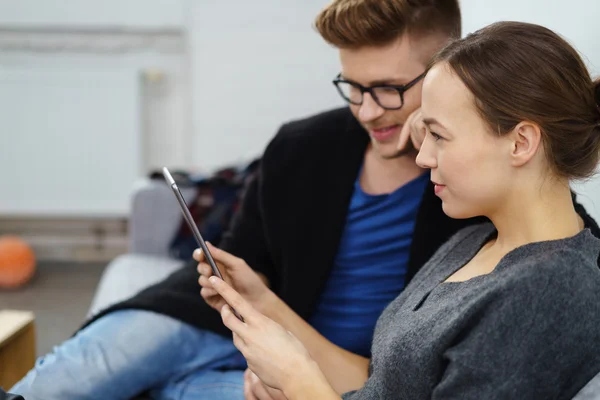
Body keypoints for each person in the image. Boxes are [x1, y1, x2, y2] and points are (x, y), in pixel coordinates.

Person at [11, 2, 597, 399]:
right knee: (87, 369)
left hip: (311, 369)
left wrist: (296, 375)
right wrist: (262, 305)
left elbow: (379, 379)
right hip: (263, 336)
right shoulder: (478, 233)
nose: (370, 111)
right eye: (353, 89)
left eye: (395, 93)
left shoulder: (508, 244)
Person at [201, 21, 600, 400]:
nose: (423, 157)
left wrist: (299, 380)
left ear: (521, 143)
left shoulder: (548, 290)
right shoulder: (473, 242)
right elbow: (388, 385)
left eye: (439, 136)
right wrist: (263, 303)